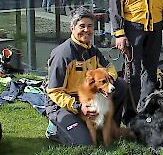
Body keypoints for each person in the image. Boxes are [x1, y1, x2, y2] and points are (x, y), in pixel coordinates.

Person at [44, 8, 131, 145]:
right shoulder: (62, 55)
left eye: (90, 26)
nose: (86, 30)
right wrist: (79, 106)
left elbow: (110, 68)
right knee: (85, 143)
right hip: (62, 105)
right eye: (82, 26)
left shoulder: (92, 50)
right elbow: (54, 92)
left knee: (120, 85)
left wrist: (108, 83)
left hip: (86, 98)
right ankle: (54, 129)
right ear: (72, 27)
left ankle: (108, 127)